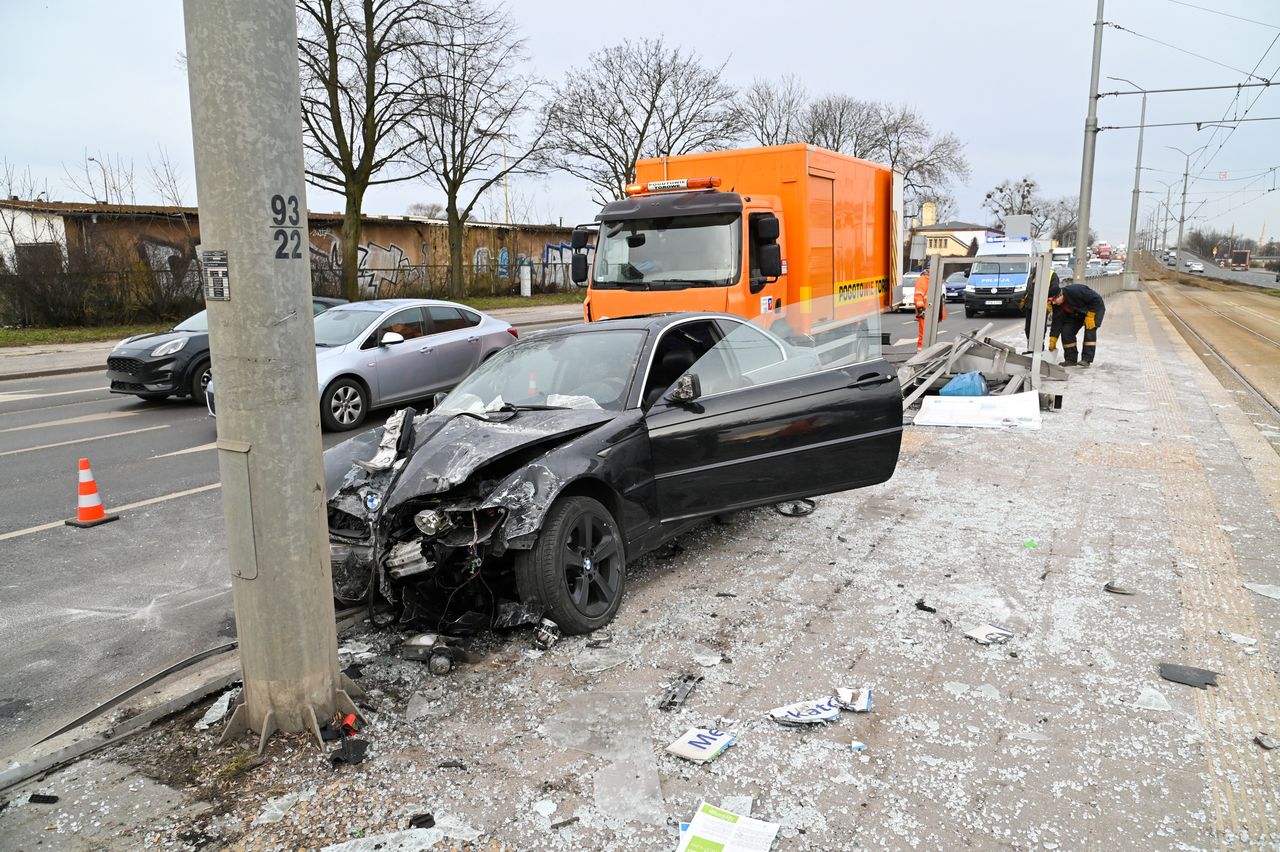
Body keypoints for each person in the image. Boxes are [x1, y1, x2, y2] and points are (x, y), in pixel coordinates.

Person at [1050, 283, 1106, 366]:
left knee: (1089, 330)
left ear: (1060, 295)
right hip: (1077, 313)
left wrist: (1091, 315)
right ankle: (1071, 359)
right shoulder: (1056, 305)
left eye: (1054, 300)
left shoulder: (1075, 291)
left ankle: (1086, 359)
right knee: (1066, 332)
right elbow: (1057, 321)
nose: (1053, 303)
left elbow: (1096, 299)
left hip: (1094, 309)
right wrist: (1053, 338)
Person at [1019, 268, 1061, 348]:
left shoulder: (1052, 274)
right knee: (1028, 328)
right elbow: (1029, 289)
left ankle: (1039, 347)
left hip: (1042, 305)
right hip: (1030, 305)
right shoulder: (1033, 274)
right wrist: (1024, 299)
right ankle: (1030, 347)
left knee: (1039, 328)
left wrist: (1043, 295)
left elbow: (1055, 290)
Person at [913, 266, 946, 351]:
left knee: (930, 335)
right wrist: (921, 309)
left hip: (933, 312)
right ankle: (921, 354)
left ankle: (928, 352)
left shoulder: (935, 280)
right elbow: (918, 295)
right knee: (924, 335)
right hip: (926, 311)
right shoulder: (922, 280)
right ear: (928, 269)